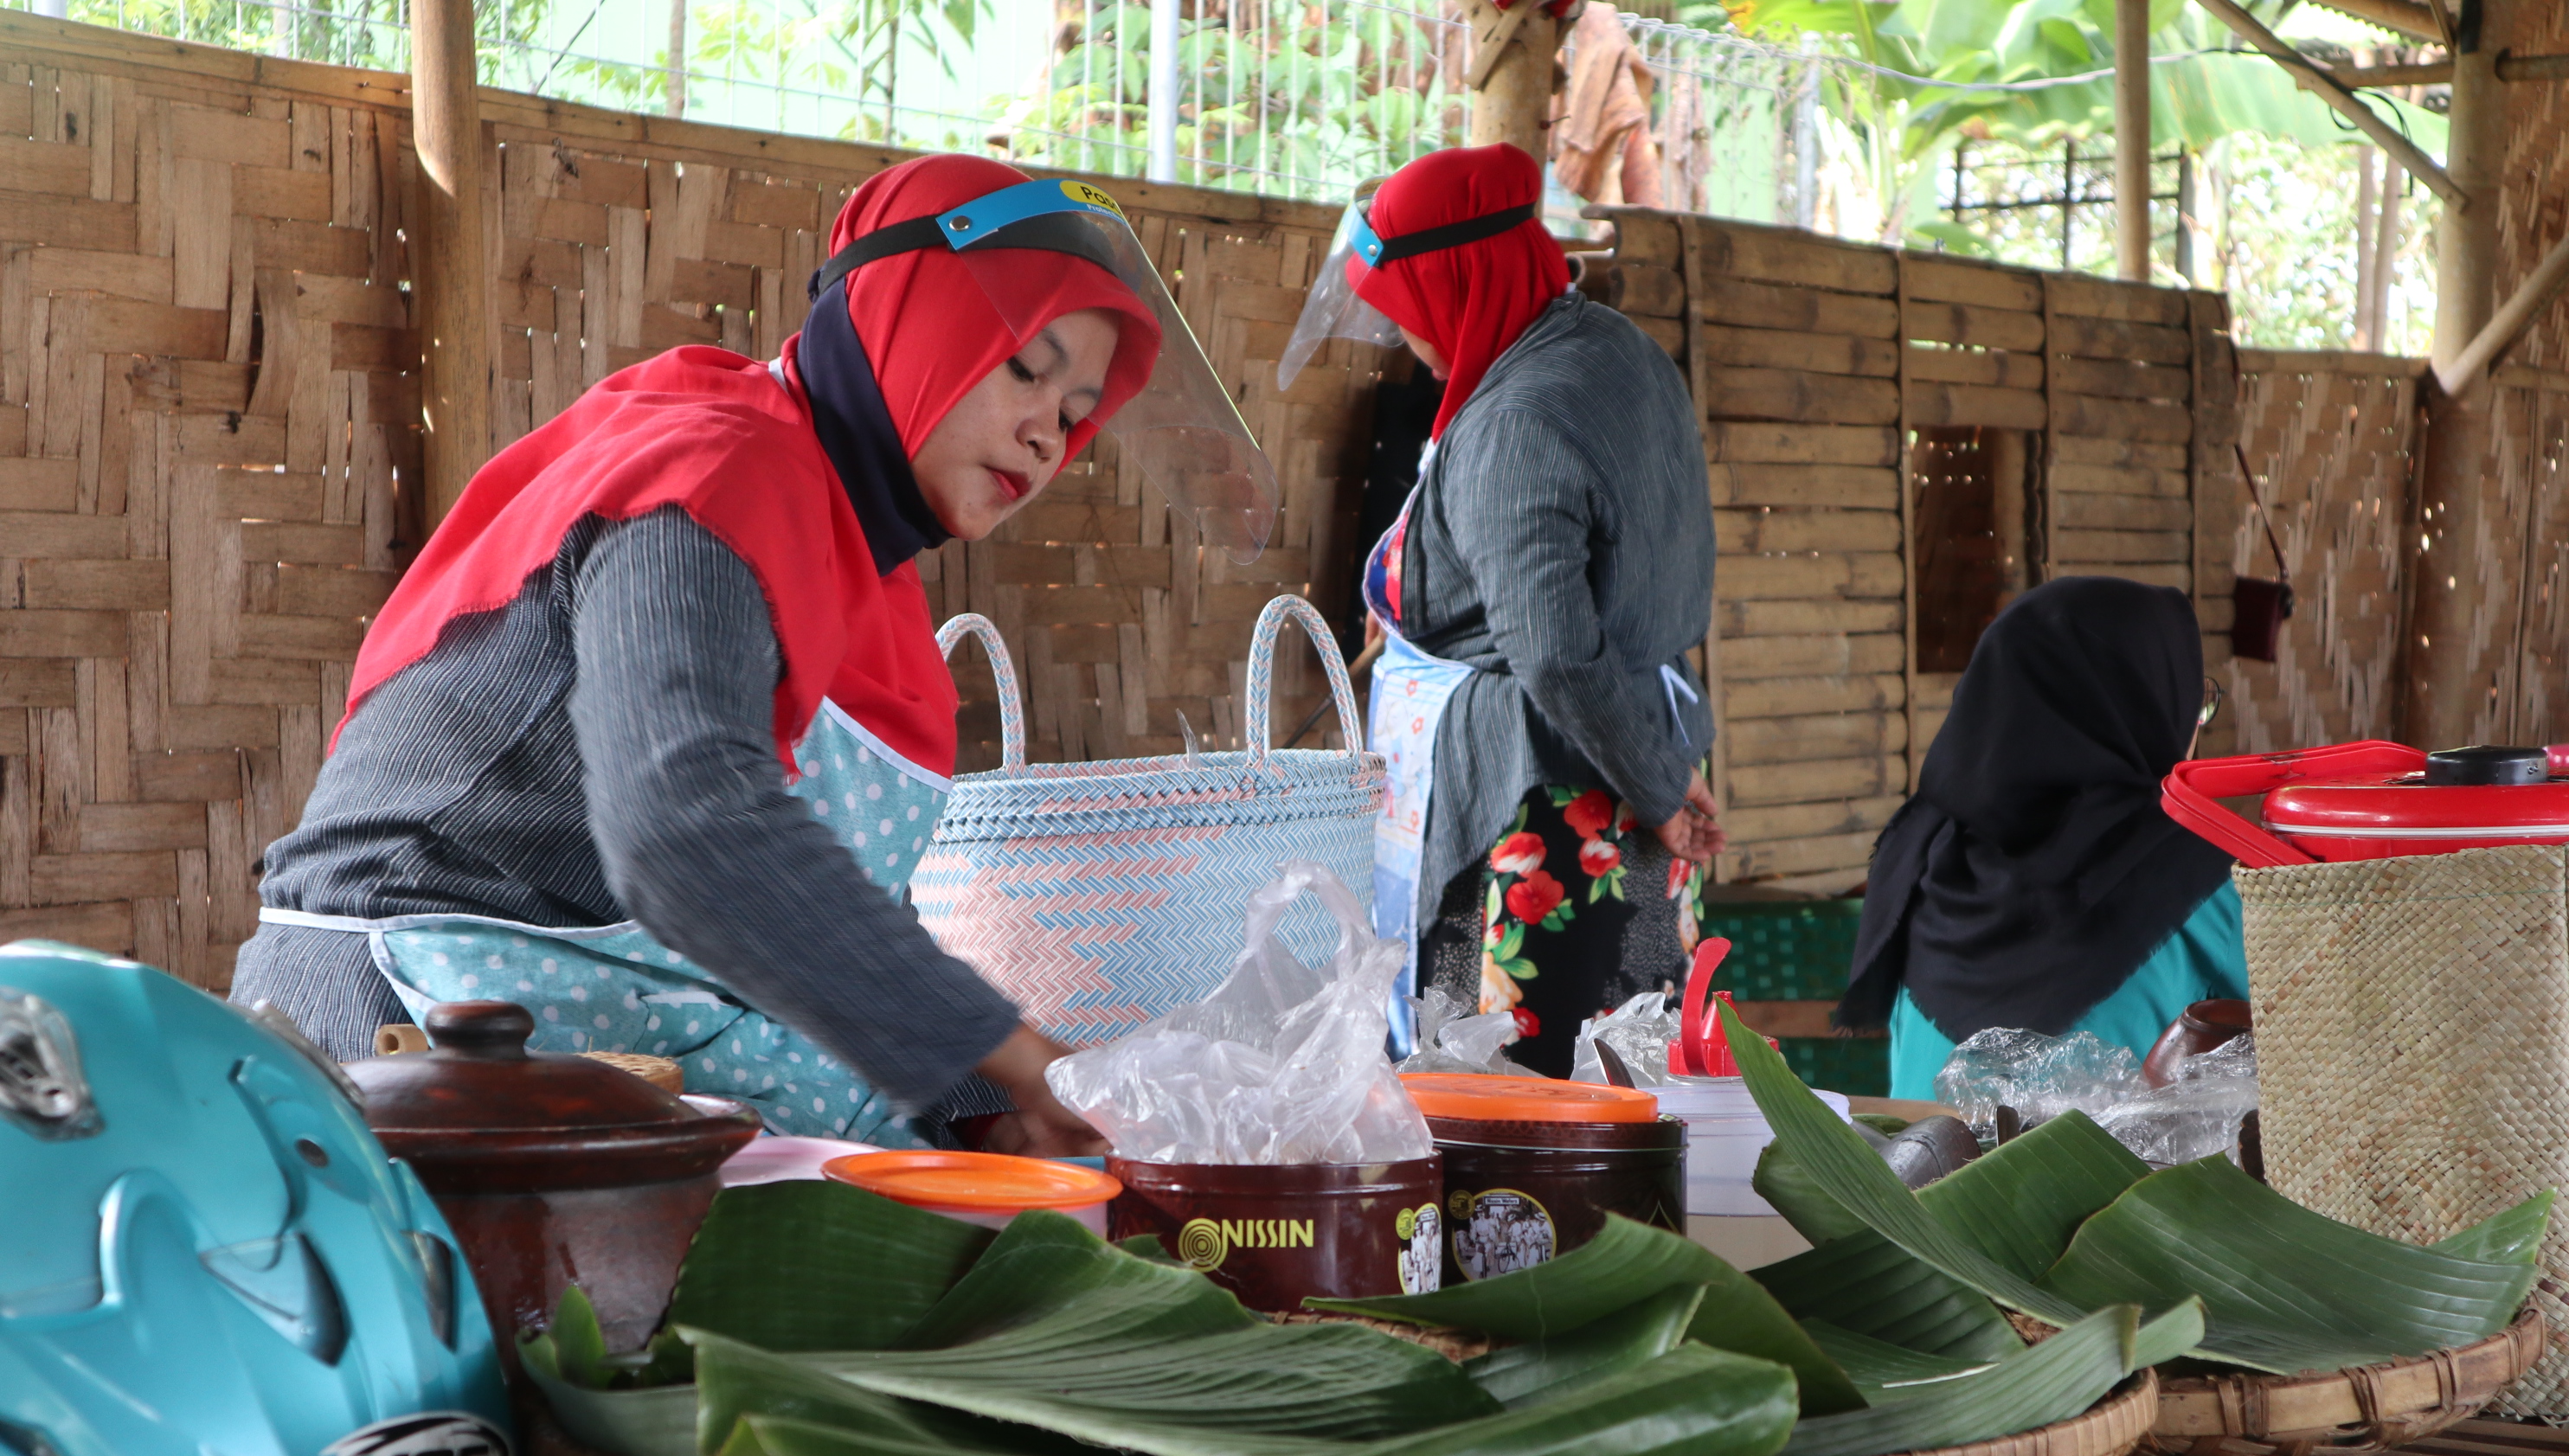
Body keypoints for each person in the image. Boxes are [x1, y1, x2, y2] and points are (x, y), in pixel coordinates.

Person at [228, 155, 1274, 1152]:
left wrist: (986, 1107)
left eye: (1077, 413)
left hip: (600, 1062)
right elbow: (686, 825)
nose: (1051, 433)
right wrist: (1001, 1051)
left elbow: (832, 909)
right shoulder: (716, 474)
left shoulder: (872, 581)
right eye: (1024, 369)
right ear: (912, 318)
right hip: (401, 1062)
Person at [1276, 144, 1724, 1079]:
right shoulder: (1615, 350)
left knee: (1514, 1098)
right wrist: (1666, 767)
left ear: (1462, 287)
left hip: (1535, 811)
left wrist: (1652, 783)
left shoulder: (1514, 420)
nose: (1411, 341)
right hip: (1632, 750)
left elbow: (1555, 653)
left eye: (1414, 315)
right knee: (1626, 1075)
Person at [1835, 576, 2249, 1100]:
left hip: (1913, 1174)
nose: (2196, 724)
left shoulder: (1923, 850)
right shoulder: (2208, 876)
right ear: (2145, 705)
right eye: (2195, 699)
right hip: (2116, 1183)